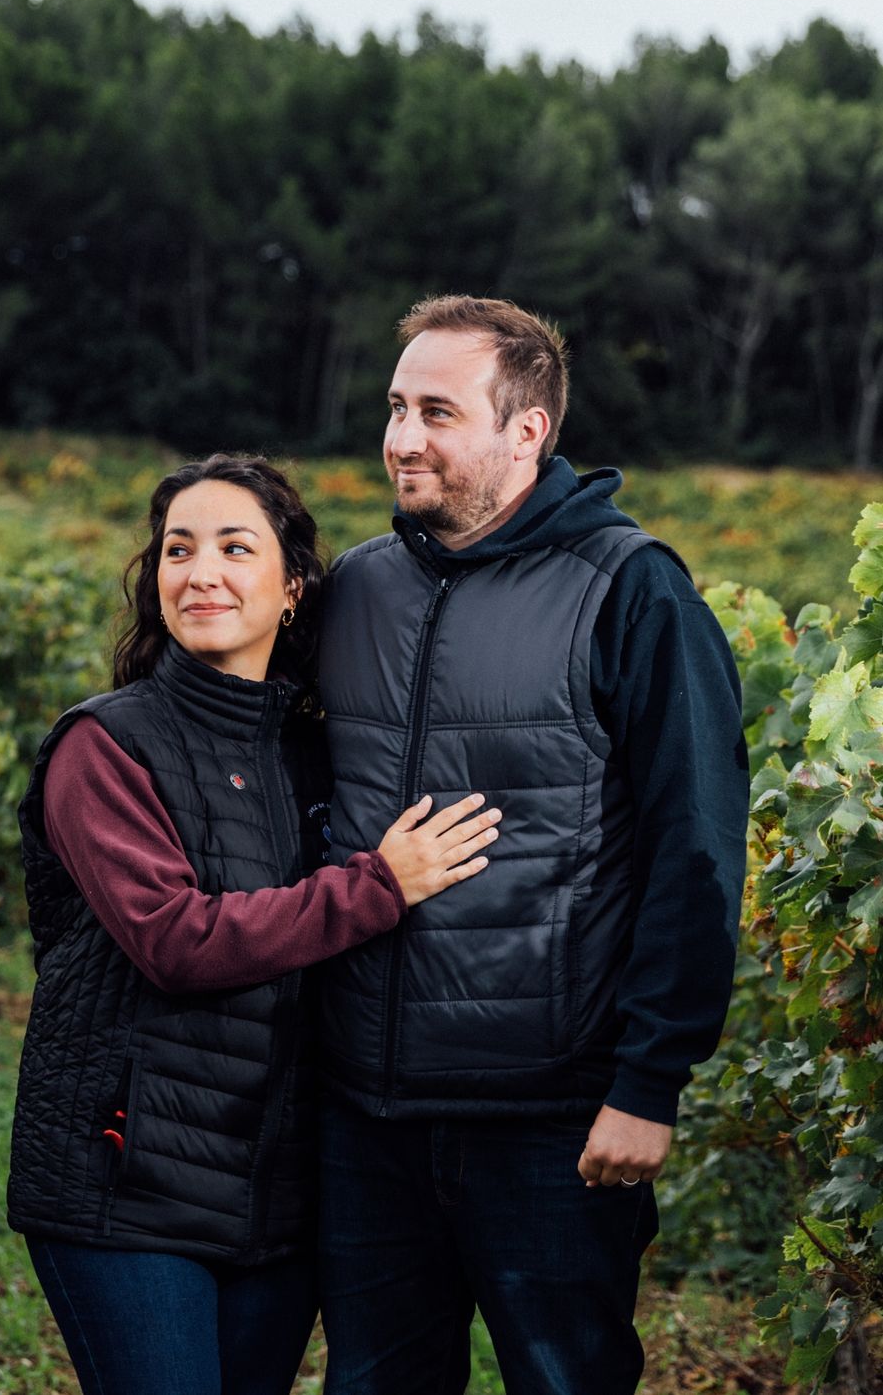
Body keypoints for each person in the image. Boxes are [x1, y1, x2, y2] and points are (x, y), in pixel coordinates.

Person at [315, 296, 749, 1395]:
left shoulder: (632, 589)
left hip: (549, 1120)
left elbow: (693, 846)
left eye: (437, 413)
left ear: (527, 432)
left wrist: (649, 1081)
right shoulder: (357, 585)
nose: (402, 438)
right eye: (395, 407)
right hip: (367, 1111)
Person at [6, 452, 500, 1395]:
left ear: (292, 588)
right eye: (178, 551)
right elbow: (174, 941)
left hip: (279, 1189)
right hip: (124, 1182)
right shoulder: (102, 746)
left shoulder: (321, 753)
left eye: (236, 548)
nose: (201, 573)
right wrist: (377, 887)